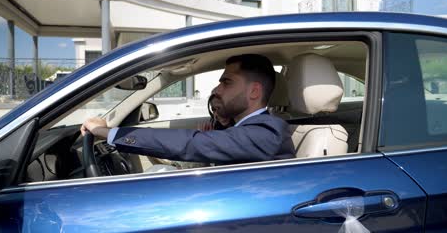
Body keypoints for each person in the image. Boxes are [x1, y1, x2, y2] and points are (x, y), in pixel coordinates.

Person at [82, 54, 295, 164]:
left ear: (254, 92)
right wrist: (219, 133)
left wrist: (108, 133)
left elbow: (190, 144)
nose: (216, 89)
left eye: (227, 82)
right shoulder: (247, 129)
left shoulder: (270, 131)